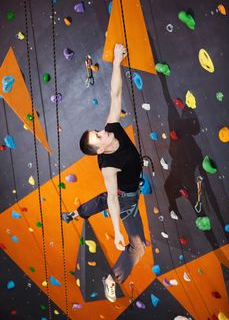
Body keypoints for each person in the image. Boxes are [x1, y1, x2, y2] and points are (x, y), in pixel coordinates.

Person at [62, 43, 146, 303]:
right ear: (99, 150)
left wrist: (118, 62)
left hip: (125, 190)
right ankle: (113, 278)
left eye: (96, 131)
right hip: (126, 201)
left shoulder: (112, 126)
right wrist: (118, 232)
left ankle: (75, 213)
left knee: (99, 201)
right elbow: (112, 199)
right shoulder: (107, 165)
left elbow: (115, 92)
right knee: (139, 247)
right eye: (98, 137)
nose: (101, 132)